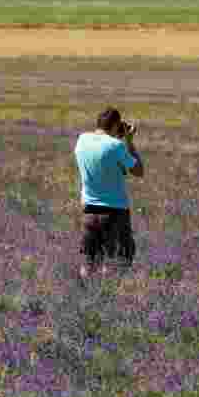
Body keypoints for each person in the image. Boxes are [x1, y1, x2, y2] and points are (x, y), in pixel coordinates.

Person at [74, 107, 144, 279]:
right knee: (118, 260)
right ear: (116, 125)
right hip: (115, 212)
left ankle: (86, 294)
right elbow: (138, 170)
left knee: (89, 261)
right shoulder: (117, 145)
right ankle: (109, 295)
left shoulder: (82, 140)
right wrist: (129, 140)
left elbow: (102, 152)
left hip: (89, 211)